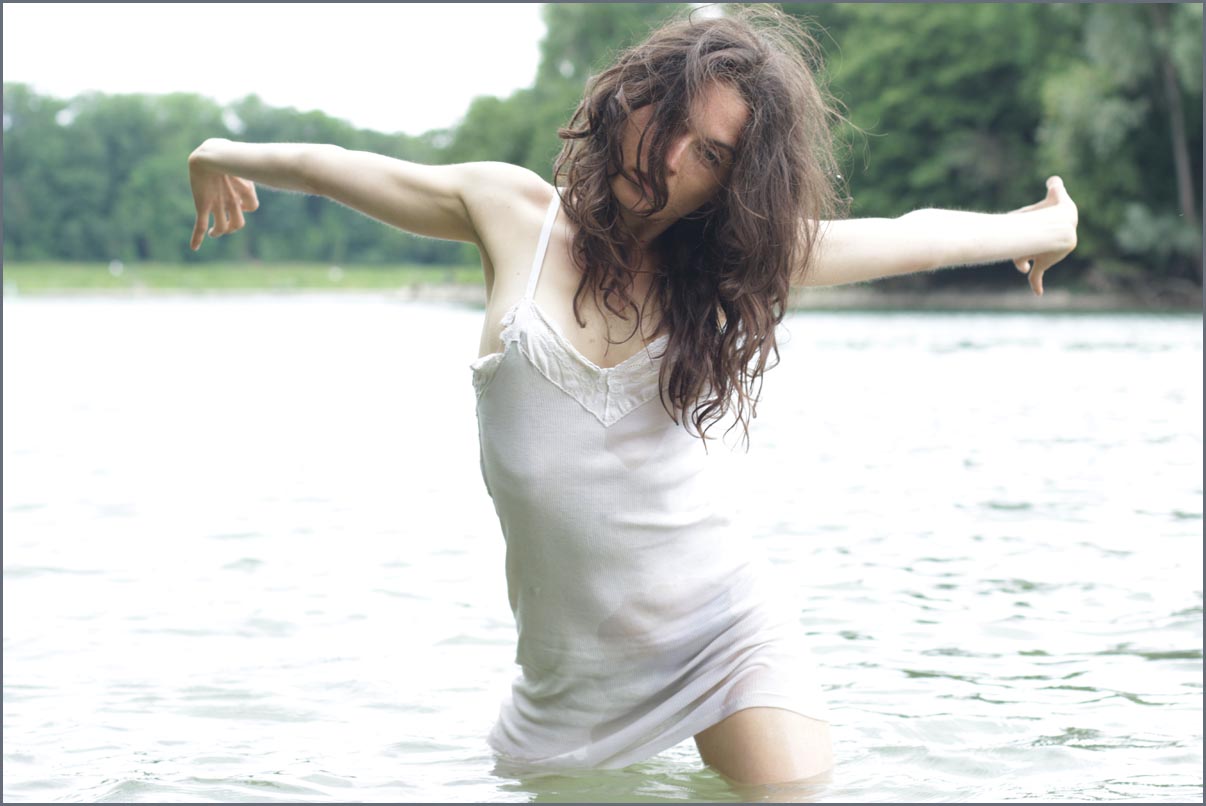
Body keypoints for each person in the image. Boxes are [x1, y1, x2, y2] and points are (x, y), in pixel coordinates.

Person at [186, 6, 1077, 788]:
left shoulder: (733, 266)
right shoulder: (510, 213)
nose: (673, 158)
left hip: (724, 638)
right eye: (672, 121)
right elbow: (330, 163)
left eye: (712, 154)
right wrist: (217, 153)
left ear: (733, 182)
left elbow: (914, 236)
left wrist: (1043, 225)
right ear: (634, 98)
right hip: (564, 686)